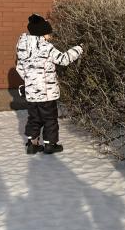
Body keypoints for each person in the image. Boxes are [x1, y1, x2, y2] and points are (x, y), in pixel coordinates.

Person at [16, 13, 82, 155]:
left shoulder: (22, 47)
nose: (50, 36)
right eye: (48, 33)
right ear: (42, 34)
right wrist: (78, 49)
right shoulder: (46, 47)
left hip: (31, 93)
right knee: (50, 119)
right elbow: (63, 59)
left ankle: (32, 144)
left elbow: (20, 68)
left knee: (34, 118)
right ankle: (50, 145)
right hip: (47, 93)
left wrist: (31, 82)